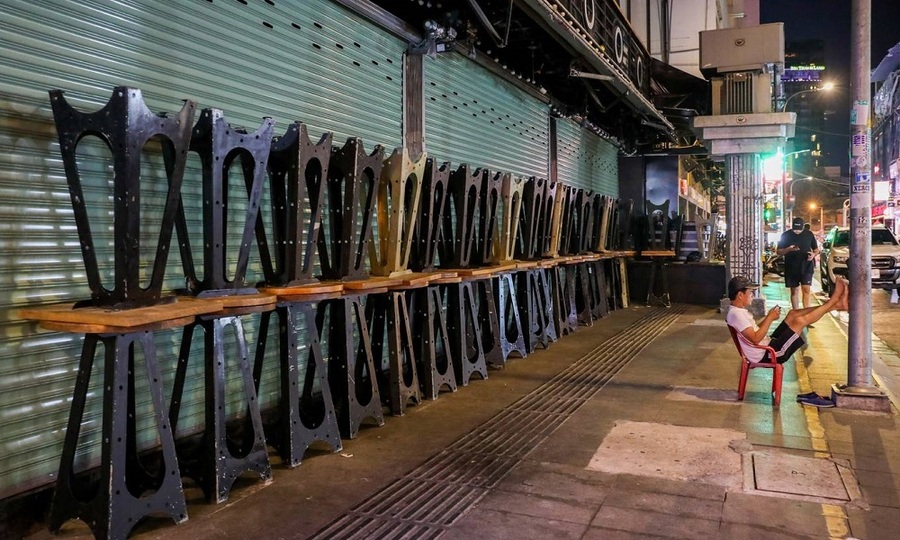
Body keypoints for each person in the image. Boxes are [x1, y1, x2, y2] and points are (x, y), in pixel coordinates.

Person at [725, 275, 849, 407]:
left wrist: (769, 318)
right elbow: (755, 338)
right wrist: (770, 318)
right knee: (799, 321)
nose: (752, 295)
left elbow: (754, 332)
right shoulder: (737, 315)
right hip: (769, 353)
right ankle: (833, 301)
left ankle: (835, 305)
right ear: (740, 295)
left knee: (792, 314)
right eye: (750, 292)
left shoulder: (738, 312)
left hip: (766, 345)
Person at [777, 217, 819, 310]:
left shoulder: (809, 234)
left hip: (806, 265)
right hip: (791, 266)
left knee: (806, 288)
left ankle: (806, 312)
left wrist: (813, 255)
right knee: (794, 290)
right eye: (795, 229)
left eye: (799, 230)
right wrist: (788, 249)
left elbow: (816, 249)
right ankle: (795, 312)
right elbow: (778, 251)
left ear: (803, 227)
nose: (797, 232)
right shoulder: (785, 235)